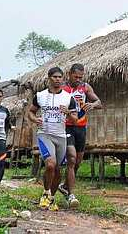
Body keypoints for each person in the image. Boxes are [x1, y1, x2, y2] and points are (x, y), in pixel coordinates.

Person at [28, 67, 77, 211]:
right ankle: (45, 193)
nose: (57, 79)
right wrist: (34, 119)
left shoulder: (68, 97)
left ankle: (51, 198)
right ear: (49, 78)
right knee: (50, 164)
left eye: (60, 77)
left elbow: (75, 119)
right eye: (55, 77)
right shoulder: (40, 95)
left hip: (60, 136)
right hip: (44, 134)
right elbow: (31, 112)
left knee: (57, 170)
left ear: (63, 79)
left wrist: (67, 112)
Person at [59, 63, 102, 207]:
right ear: (69, 74)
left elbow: (99, 102)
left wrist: (93, 105)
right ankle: (71, 195)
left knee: (77, 162)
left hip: (81, 127)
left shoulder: (85, 87)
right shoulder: (63, 88)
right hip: (66, 126)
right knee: (71, 158)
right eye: (75, 76)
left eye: (80, 77)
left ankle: (65, 186)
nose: (78, 79)